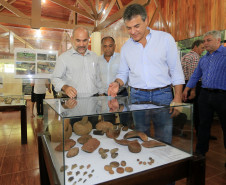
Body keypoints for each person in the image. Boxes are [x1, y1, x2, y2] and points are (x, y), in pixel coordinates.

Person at [182, 30, 226, 156]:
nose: (205, 43)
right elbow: (195, 75)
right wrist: (186, 89)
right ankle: (200, 152)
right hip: (205, 95)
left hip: (222, 96)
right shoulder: (203, 59)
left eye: (208, 40)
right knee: (203, 125)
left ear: (218, 40)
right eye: (204, 40)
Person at [52, 26, 104, 98]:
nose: (81, 44)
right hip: (74, 101)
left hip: (94, 99)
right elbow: (55, 78)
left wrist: (102, 94)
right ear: (72, 39)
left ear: (89, 39)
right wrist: (65, 87)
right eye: (78, 40)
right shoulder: (63, 58)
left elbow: (98, 78)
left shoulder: (94, 56)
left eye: (84, 40)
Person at [181, 40, 205, 134]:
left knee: (184, 108)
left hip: (185, 84)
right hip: (193, 86)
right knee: (198, 110)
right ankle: (200, 132)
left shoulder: (185, 56)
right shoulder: (195, 57)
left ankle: (179, 130)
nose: (203, 50)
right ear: (195, 46)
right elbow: (193, 75)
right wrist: (193, 90)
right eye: (202, 48)